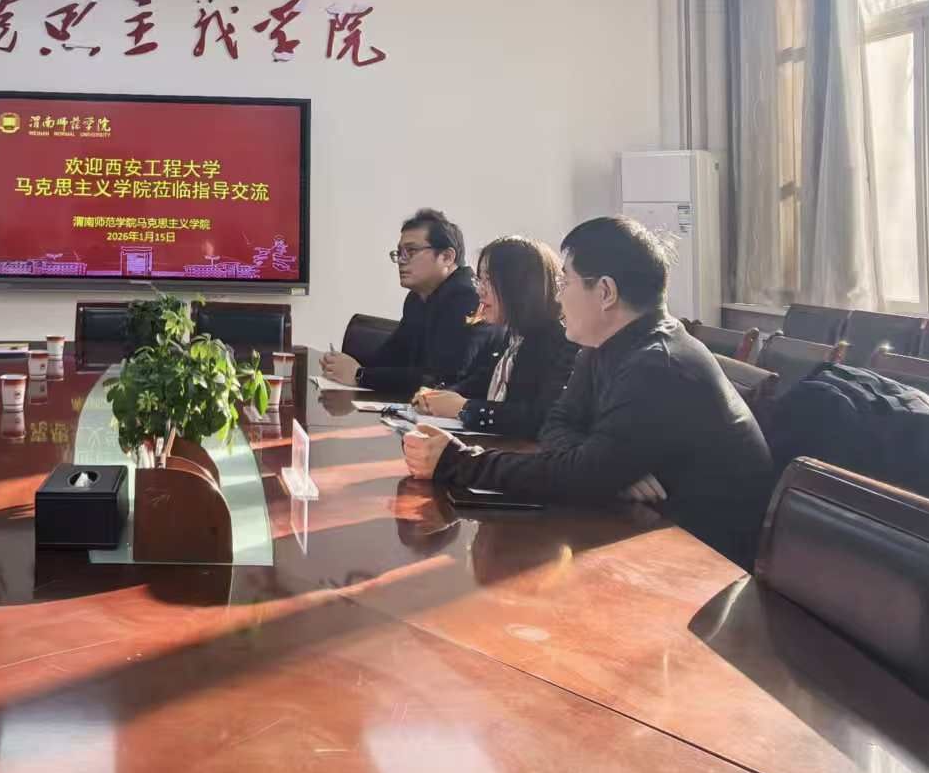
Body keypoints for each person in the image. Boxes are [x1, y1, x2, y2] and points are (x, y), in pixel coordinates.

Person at [401, 216, 774, 569]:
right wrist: (604, 468)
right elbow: (557, 423)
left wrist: (458, 462)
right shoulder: (602, 346)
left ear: (606, 292)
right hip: (643, 532)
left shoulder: (658, 363)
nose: (559, 297)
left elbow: (578, 476)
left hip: (702, 563)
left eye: (565, 282)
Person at [412, 235, 578, 439]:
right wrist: (435, 397)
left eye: (488, 281)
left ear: (521, 286)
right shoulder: (512, 335)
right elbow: (479, 383)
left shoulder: (561, 342)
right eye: (479, 280)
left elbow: (538, 418)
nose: (479, 291)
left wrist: (464, 407)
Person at [321, 208, 485, 396]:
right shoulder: (417, 297)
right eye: (399, 252)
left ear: (447, 257)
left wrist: (360, 375)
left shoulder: (468, 298)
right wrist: (343, 365)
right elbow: (390, 358)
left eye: (411, 251)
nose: (401, 260)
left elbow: (439, 380)